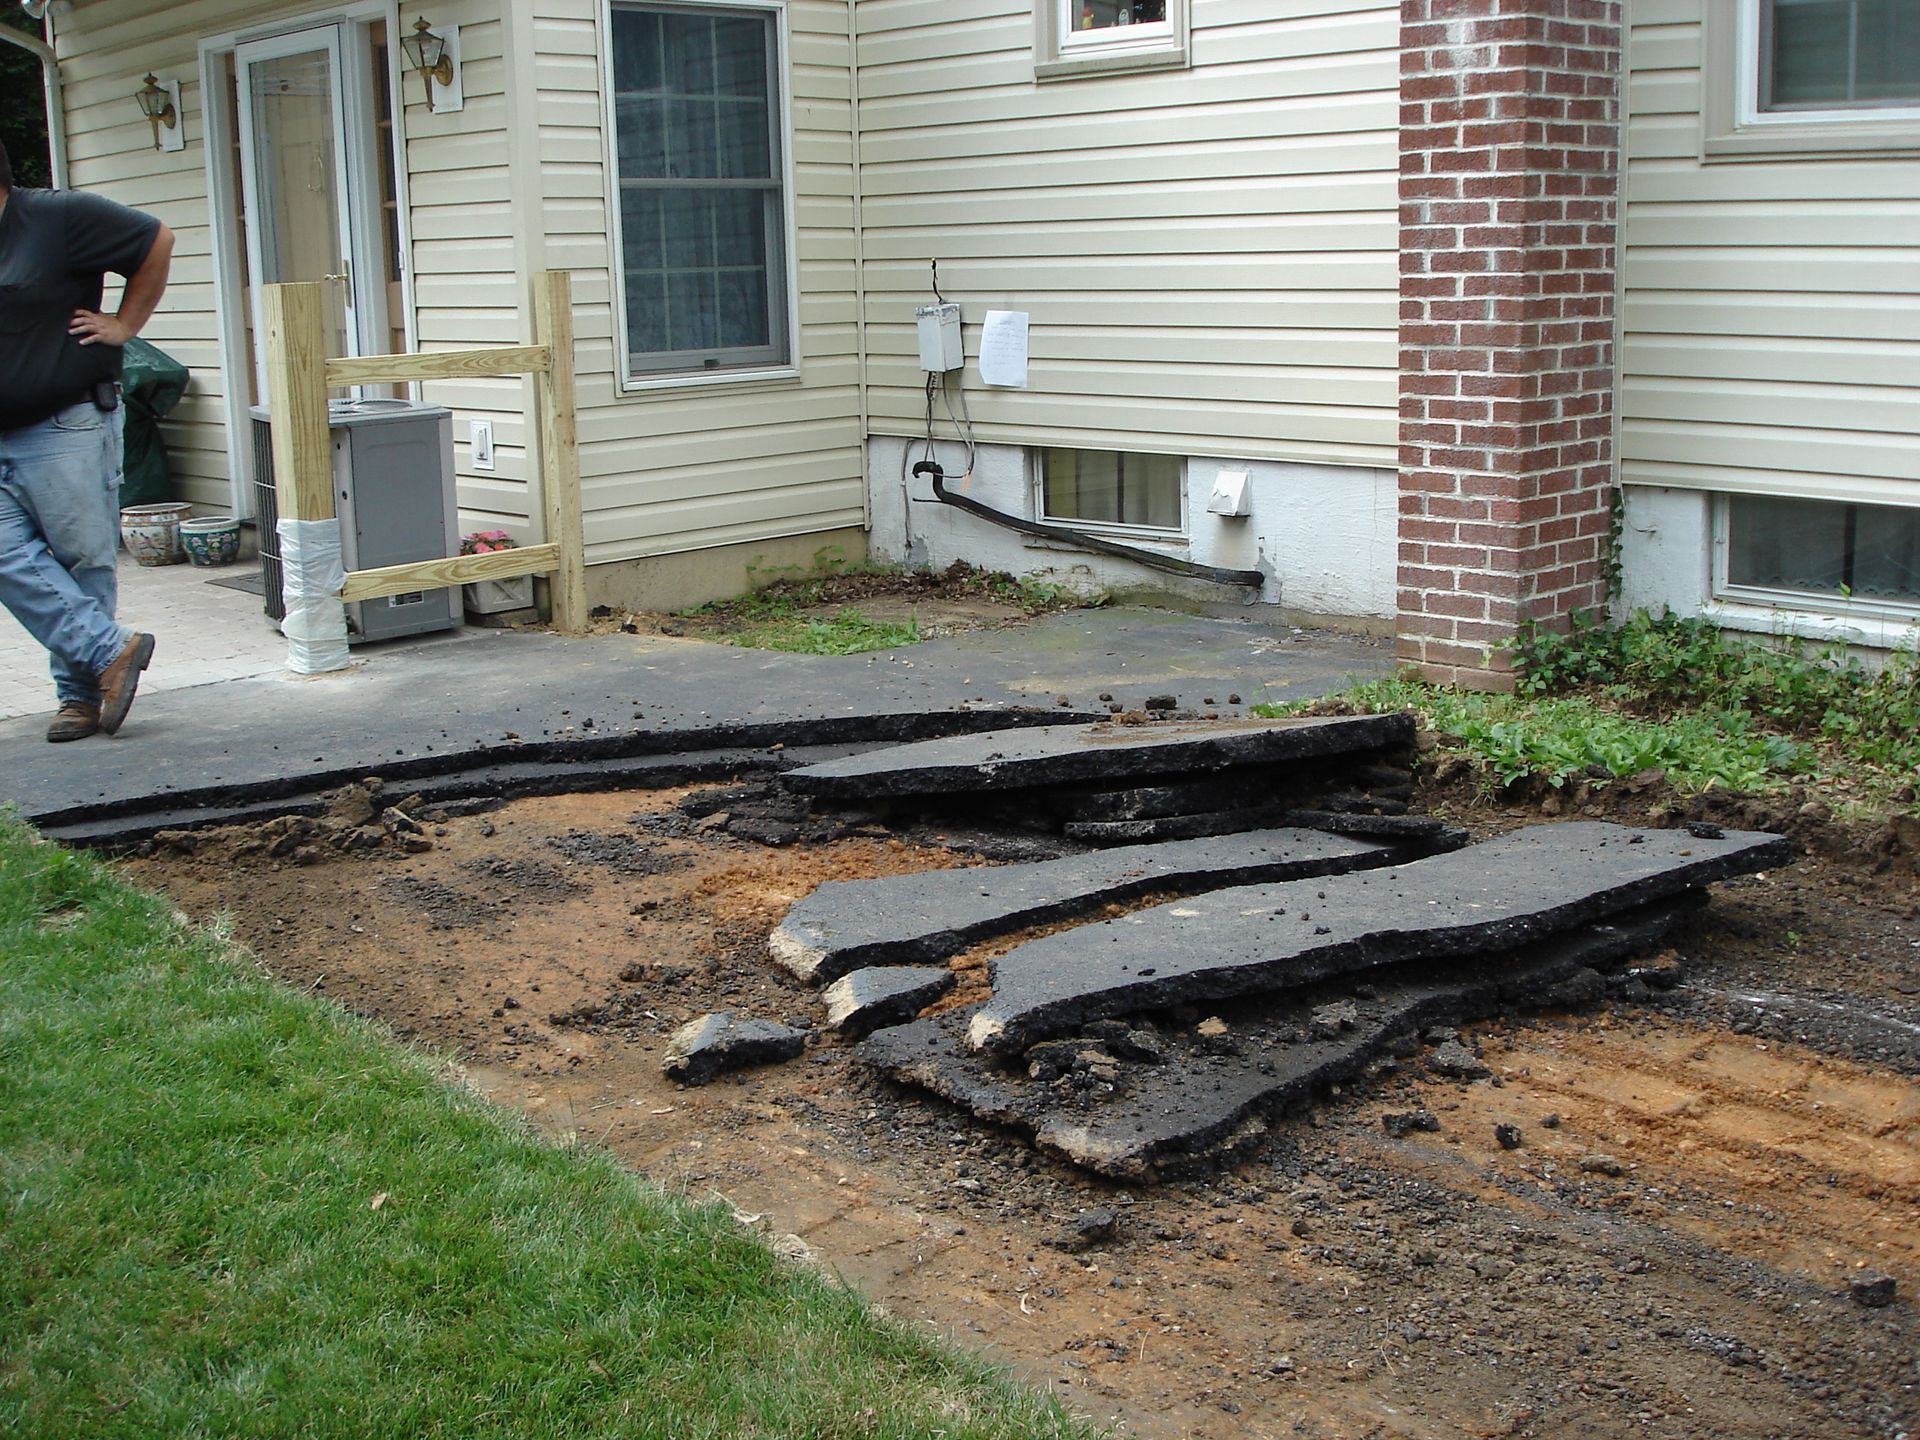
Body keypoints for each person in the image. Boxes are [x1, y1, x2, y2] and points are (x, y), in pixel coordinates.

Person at [0, 138, 173, 742]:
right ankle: (107, 653)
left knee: (81, 559)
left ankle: (80, 697)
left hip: (64, 423)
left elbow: (156, 240)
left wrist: (124, 325)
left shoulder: (56, 217)